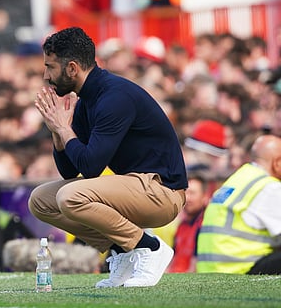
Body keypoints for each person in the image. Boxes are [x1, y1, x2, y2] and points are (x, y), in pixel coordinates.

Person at [28, 27, 187, 288]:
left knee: (70, 197)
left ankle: (151, 247)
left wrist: (65, 129)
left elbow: (90, 167)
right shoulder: (88, 98)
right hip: (135, 187)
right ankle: (122, 251)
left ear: (72, 68)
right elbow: (70, 171)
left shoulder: (114, 96)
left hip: (162, 193)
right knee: (40, 200)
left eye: (50, 67)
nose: (46, 76)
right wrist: (58, 132)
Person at [197, 134, 281, 275]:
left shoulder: (239, 178)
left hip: (212, 269)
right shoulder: (270, 187)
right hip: (240, 268)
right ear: (277, 162)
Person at [168, 173, 210, 273]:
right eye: (185, 192)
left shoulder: (204, 226)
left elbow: (195, 265)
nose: (187, 198)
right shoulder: (182, 226)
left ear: (204, 196)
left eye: (192, 193)